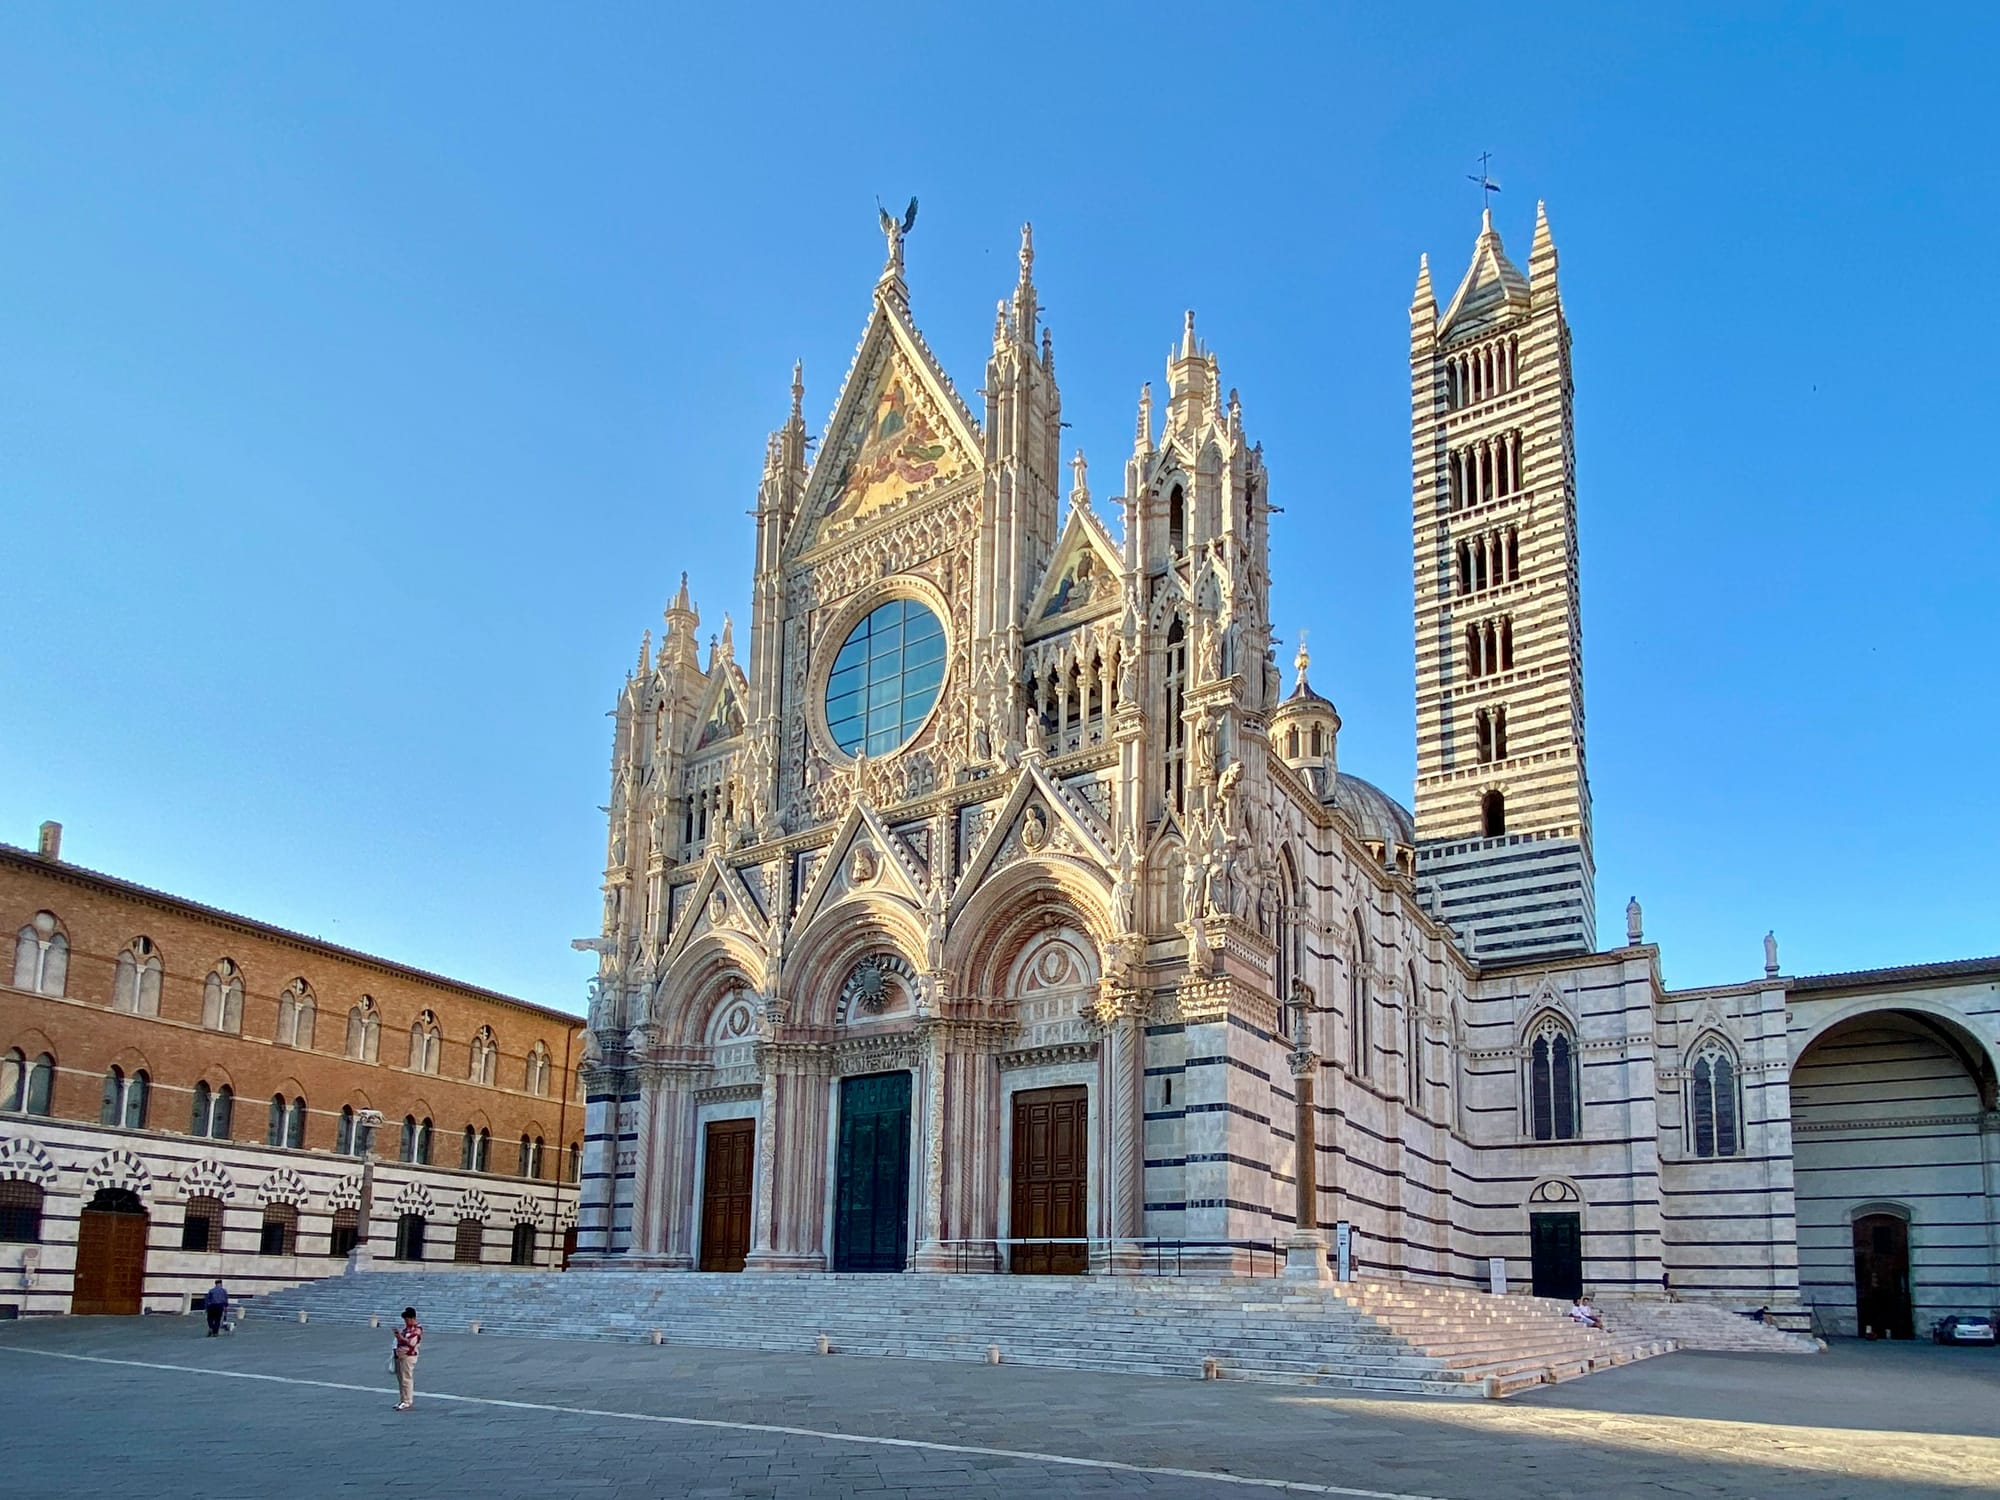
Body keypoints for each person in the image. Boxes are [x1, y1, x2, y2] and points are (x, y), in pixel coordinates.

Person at [392, 1306, 423, 1411]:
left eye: (407, 1319)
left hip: (408, 1356)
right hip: (400, 1355)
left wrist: (400, 1338)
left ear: (412, 1318)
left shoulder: (417, 1329)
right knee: (401, 1379)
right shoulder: (406, 1329)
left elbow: (412, 1343)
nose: (406, 1321)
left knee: (406, 1379)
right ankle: (403, 1400)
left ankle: (407, 1401)